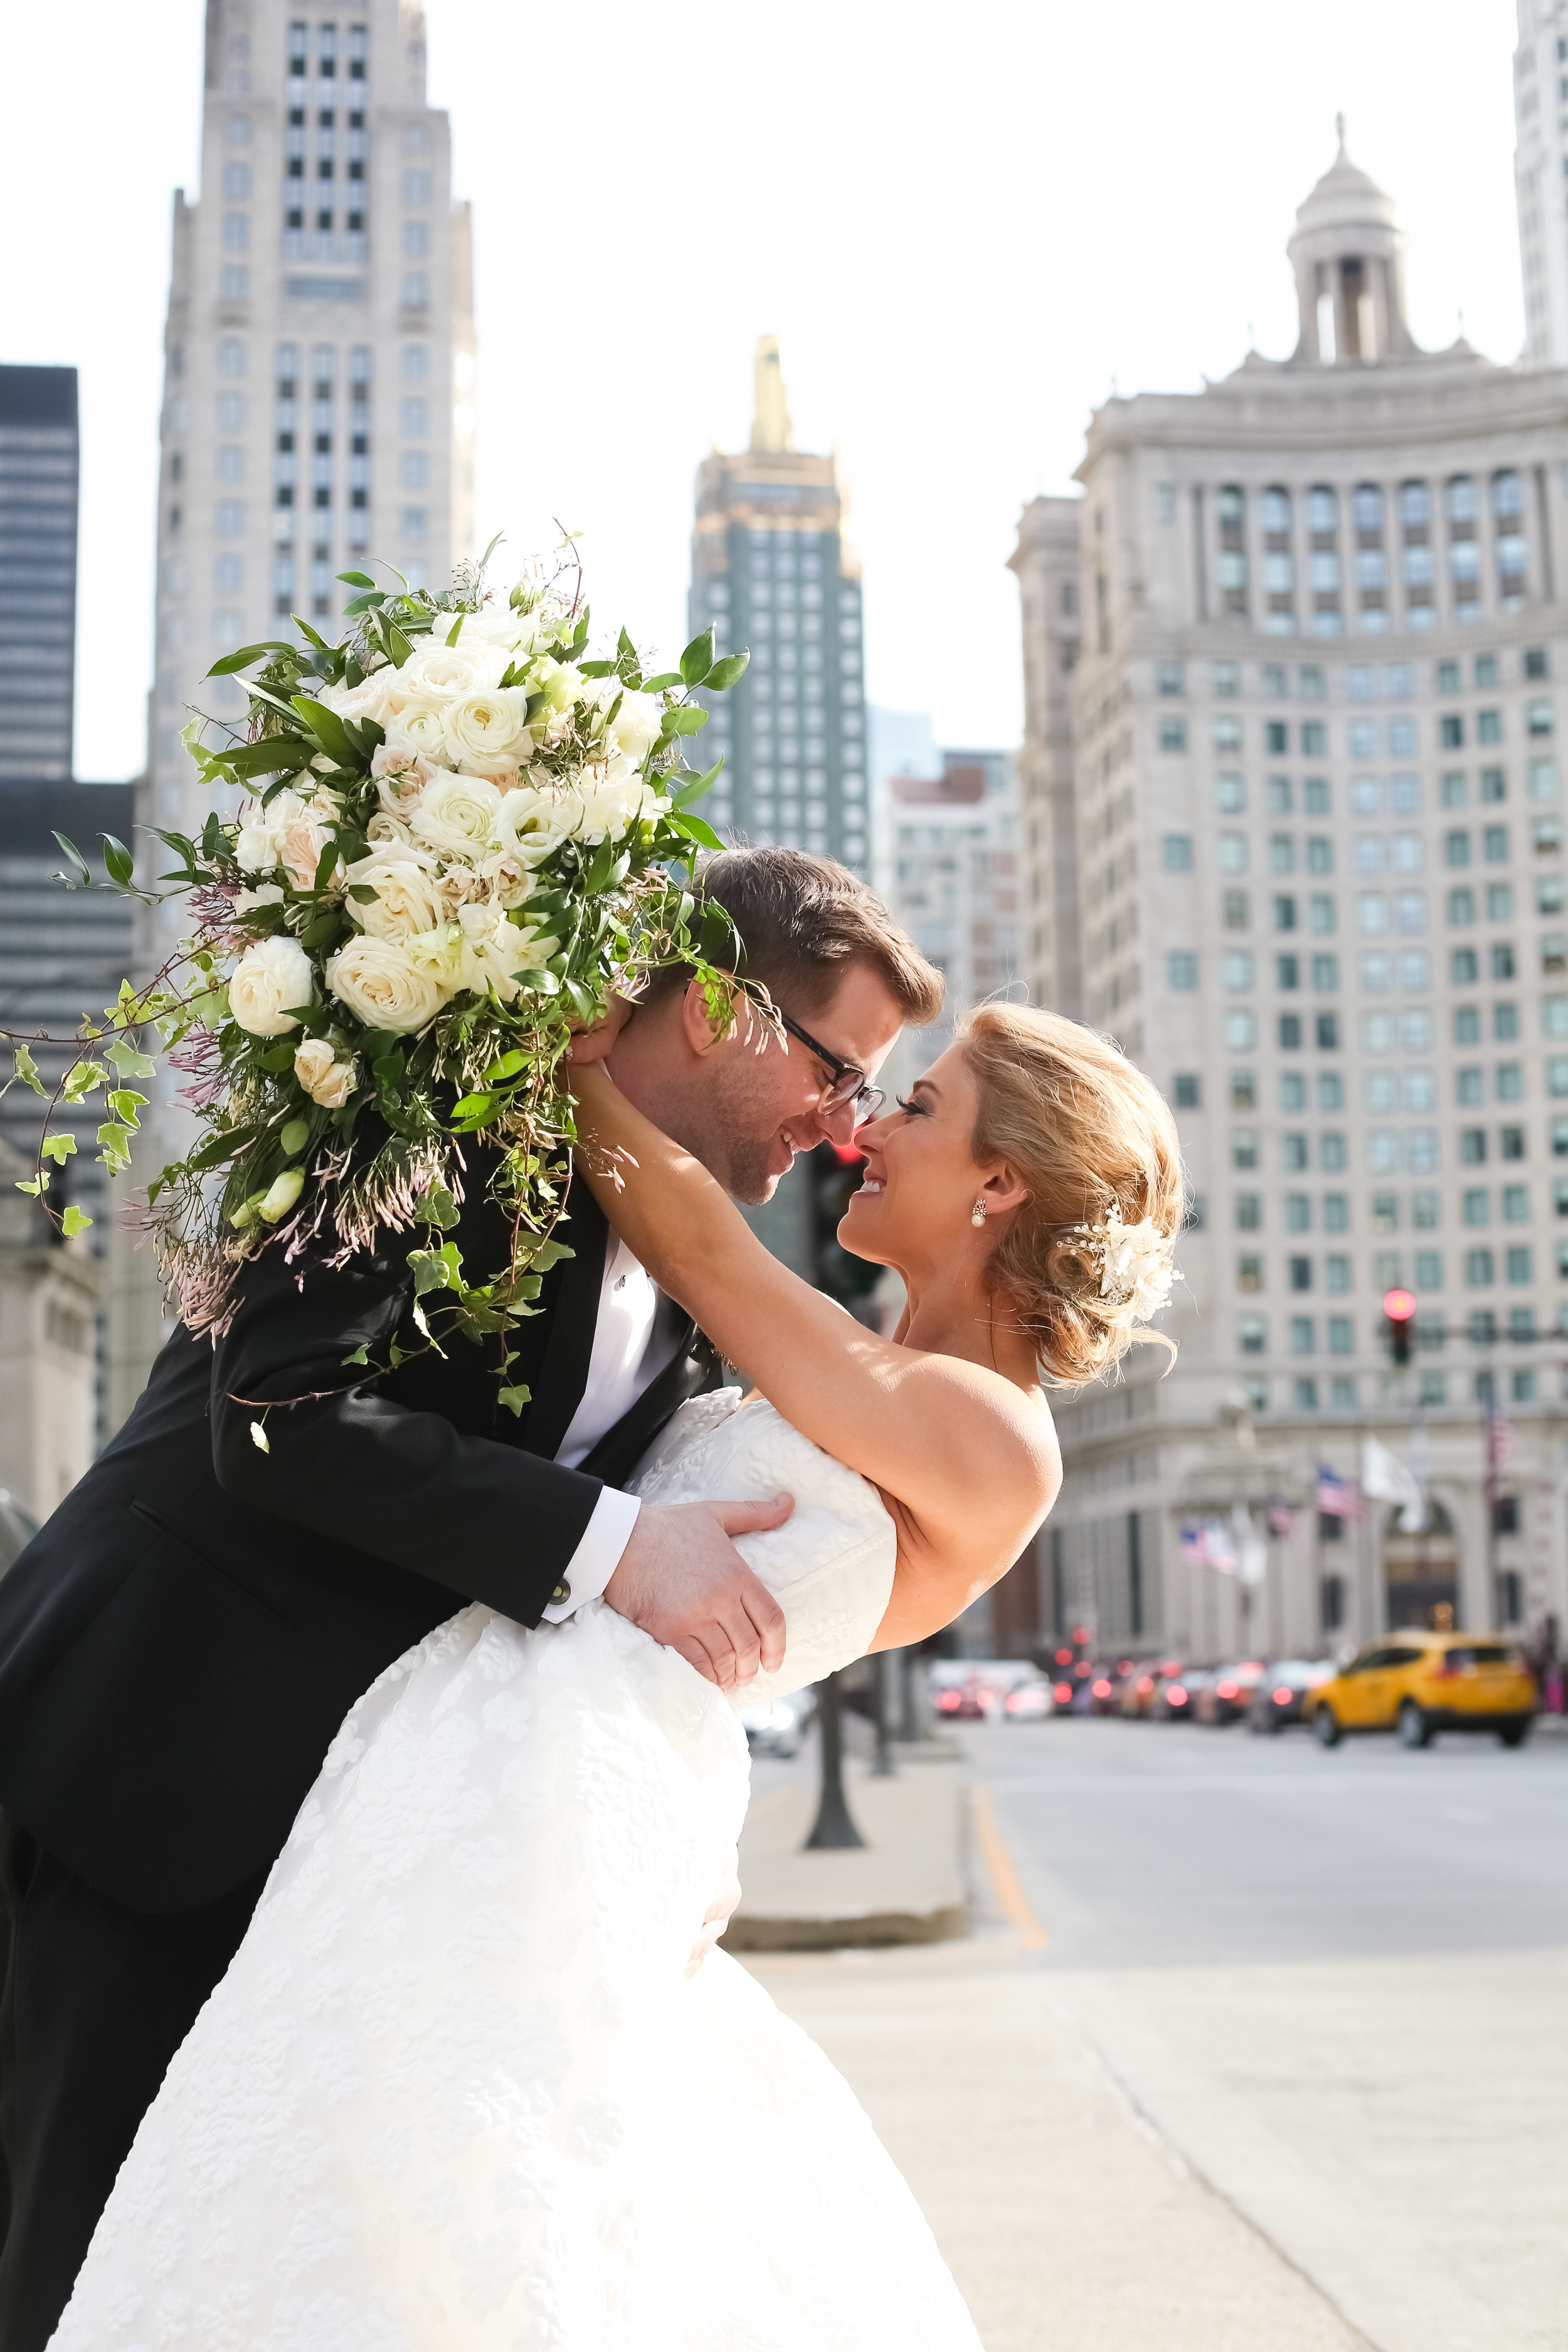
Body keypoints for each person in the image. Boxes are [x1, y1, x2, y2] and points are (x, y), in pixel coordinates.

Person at [46, 1000, 1183, 2349]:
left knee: (464, 2207)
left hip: (551, 1827)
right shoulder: (829, 1363)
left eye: (916, 1106)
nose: (865, 1128)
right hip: (445, 1774)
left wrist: (547, 1039)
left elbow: (696, 1246)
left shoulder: (997, 1445)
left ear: (1001, 1183)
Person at [0, 848, 944, 2352]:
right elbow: (279, 1417)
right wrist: (614, 1543)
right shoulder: (428, 1117)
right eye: (836, 1070)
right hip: (157, 1765)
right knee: (86, 2269)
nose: (841, 1127)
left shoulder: (707, 1280)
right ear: (712, 1006)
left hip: (379, 1860)